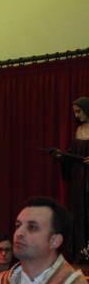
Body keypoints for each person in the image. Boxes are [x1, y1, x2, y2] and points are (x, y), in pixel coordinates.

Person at [52, 97, 89, 260]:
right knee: (79, 213)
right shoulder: (78, 130)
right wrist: (63, 156)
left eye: (78, 111)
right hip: (79, 180)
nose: (76, 115)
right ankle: (81, 251)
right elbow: (73, 154)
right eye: (74, 112)